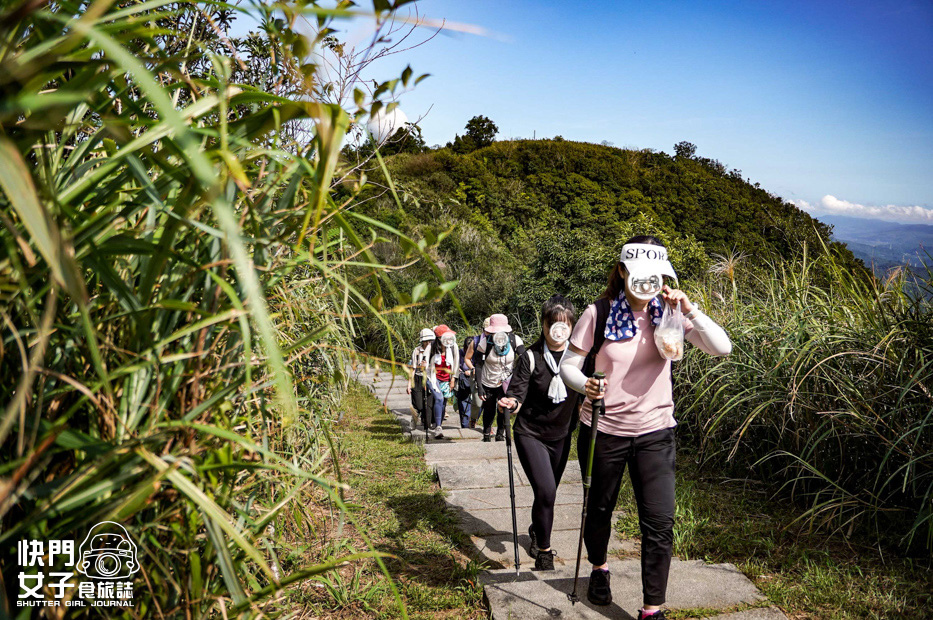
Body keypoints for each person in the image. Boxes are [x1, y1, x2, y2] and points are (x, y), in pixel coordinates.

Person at [559, 236, 732, 619]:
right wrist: (582, 383)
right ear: (622, 272)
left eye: (654, 276)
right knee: (599, 508)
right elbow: (568, 364)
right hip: (603, 429)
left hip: (655, 431)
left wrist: (691, 309)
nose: (646, 284)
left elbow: (722, 348)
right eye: (638, 275)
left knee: (659, 519)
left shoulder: (669, 314)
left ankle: (652, 608)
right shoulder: (598, 313)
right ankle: (599, 567)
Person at [498, 295, 579, 571]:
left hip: (562, 435)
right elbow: (517, 392)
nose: (558, 330)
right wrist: (511, 402)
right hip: (530, 434)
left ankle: (536, 529)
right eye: (552, 323)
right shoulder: (529, 357)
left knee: (548, 493)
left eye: (564, 324)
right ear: (543, 326)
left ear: (572, 327)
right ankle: (544, 551)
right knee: (546, 491)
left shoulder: (580, 359)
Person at [474, 314, 525, 442]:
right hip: (489, 382)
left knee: (504, 409)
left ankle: (500, 434)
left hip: (507, 382)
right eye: (495, 331)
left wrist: (518, 377)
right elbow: (478, 365)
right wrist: (479, 387)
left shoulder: (515, 340)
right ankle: (486, 434)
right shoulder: (484, 343)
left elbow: (525, 359)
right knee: (489, 410)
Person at [425, 325, 459, 439]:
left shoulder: (453, 347)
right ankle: (438, 427)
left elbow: (456, 363)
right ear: (439, 338)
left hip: (447, 379)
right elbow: (424, 364)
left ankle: (437, 423)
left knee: (443, 403)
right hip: (433, 378)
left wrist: (453, 379)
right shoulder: (431, 347)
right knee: (439, 398)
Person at [407, 328, 436, 431]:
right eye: (426, 341)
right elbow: (413, 368)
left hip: (430, 377)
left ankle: (428, 423)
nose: (428, 343)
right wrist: (409, 384)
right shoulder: (417, 351)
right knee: (418, 404)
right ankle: (414, 420)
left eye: (430, 340)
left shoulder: (435, 351)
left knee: (429, 404)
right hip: (418, 378)